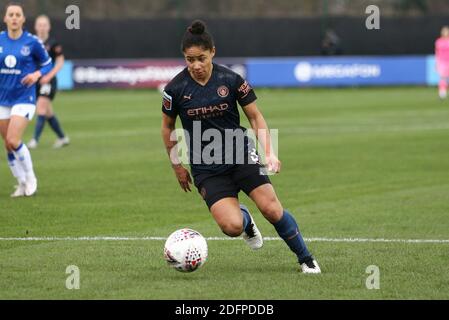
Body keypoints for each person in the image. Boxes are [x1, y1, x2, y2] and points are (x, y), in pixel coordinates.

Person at [161, 20, 321, 274]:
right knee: (232, 227)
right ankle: (246, 221)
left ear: (212, 51)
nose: (196, 66)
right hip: (206, 167)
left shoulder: (231, 79)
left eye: (201, 58)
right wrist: (177, 166)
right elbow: (167, 128)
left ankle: (305, 258)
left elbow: (255, 117)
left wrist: (269, 152)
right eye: (189, 60)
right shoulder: (175, 89)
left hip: (241, 154)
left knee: (271, 208)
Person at [0, 2, 53, 197]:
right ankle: (21, 182)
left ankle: (31, 178)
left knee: (14, 139)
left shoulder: (32, 42)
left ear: (22, 19)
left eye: (17, 15)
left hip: (24, 97)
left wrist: (36, 74)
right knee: (7, 144)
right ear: (5, 18)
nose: (14, 18)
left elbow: (48, 64)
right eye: (10, 14)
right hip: (2, 98)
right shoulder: (0, 40)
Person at [28, 14, 69, 149]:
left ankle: (34, 140)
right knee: (48, 112)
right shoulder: (31, 42)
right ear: (35, 26)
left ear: (49, 27)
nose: (42, 28)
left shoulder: (53, 43)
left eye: (44, 25)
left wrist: (49, 76)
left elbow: (60, 61)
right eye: (39, 25)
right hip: (36, 81)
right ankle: (63, 138)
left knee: (41, 108)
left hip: (48, 82)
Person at [435, 26, 449, 99]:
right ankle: (442, 93)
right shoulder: (438, 41)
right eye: (444, 31)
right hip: (442, 62)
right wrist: (437, 63)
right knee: (443, 78)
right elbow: (437, 53)